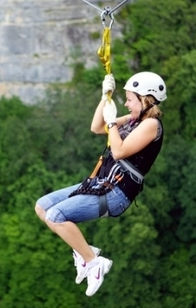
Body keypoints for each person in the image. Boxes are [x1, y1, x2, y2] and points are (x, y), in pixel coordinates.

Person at [35, 72, 166, 296]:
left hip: (117, 193)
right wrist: (105, 97)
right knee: (43, 206)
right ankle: (84, 252)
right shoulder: (133, 120)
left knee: (55, 216)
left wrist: (113, 120)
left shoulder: (151, 125)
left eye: (130, 99)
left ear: (145, 100)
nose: (126, 103)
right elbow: (96, 128)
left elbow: (119, 151)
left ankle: (95, 263)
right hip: (101, 184)